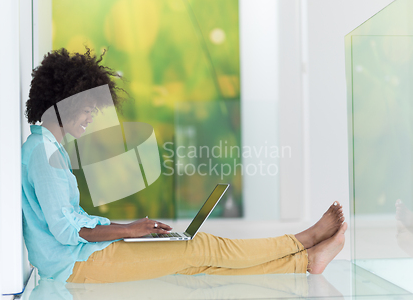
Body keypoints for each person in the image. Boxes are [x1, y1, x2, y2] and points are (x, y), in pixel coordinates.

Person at [22, 47, 347, 284]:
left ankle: (307, 261)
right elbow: (66, 231)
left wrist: (128, 233)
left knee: (195, 263)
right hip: (74, 265)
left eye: (95, 110)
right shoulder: (42, 153)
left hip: (77, 258)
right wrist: (129, 230)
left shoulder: (49, 148)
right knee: (200, 247)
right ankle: (303, 240)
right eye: (86, 109)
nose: (91, 118)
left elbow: (70, 222)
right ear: (62, 102)